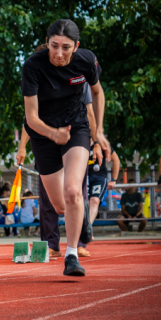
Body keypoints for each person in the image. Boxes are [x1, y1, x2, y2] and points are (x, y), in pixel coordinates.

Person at [21, 19, 108, 276]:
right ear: (47, 43)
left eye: (66, 47)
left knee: (73, 191)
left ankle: (71, 255)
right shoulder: (33, 66)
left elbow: (98, 93)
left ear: (76, 46)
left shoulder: (86, 61)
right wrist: (52, 133)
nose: (59, 54)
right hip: (43, 133)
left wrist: (98, 131)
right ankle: (80, 219)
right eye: (54, 46)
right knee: (60, 205)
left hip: (76, 129)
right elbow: (31, 117)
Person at [17, 78, 98, 259]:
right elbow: (29, 119)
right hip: (47, 146)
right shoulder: (35, 83)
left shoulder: (78, 77)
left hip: (74, 143)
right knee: (50, 202)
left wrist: (95, 141)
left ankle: (78, 245)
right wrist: (22, 146)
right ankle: (51, 244)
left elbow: (89, 112)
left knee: (76, 191)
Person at [87, 138, 120, 237]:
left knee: (95, 201)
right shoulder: (79, 140)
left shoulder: (102, 143)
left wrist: (113, 179)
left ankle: (87, 228)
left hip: (99, 177)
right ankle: (82, 229)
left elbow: (116, 161)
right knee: (83, 203)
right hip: (83, 177)